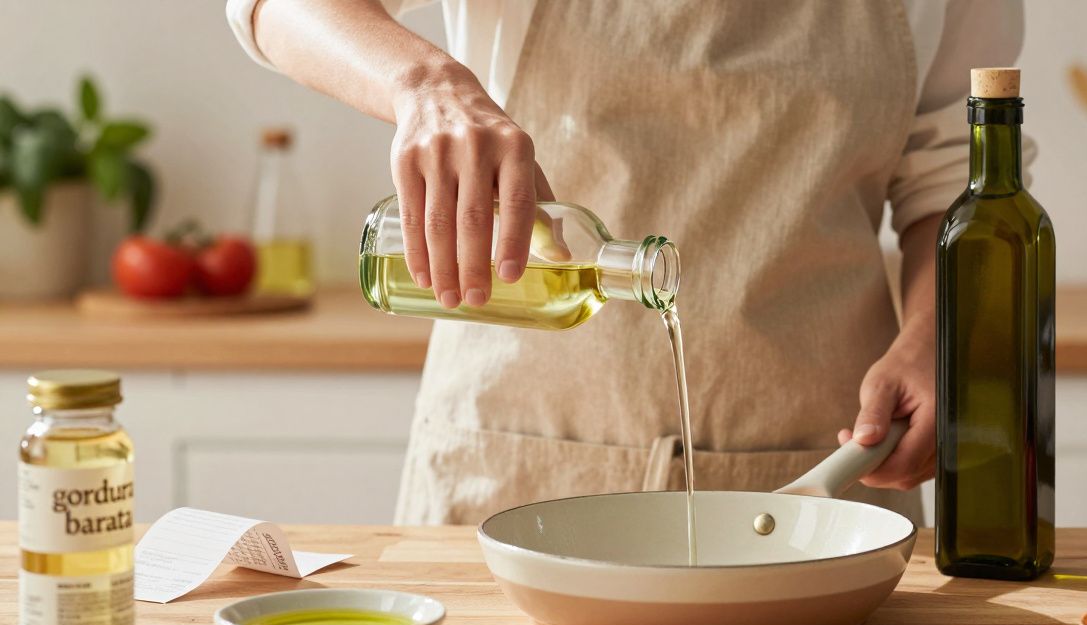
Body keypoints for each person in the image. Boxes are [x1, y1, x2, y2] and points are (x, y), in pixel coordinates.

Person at [227, 0, 1030, 525]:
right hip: (514, 466)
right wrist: (425, 83)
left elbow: (952, 179)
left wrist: (937, 336)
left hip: (823, 474)